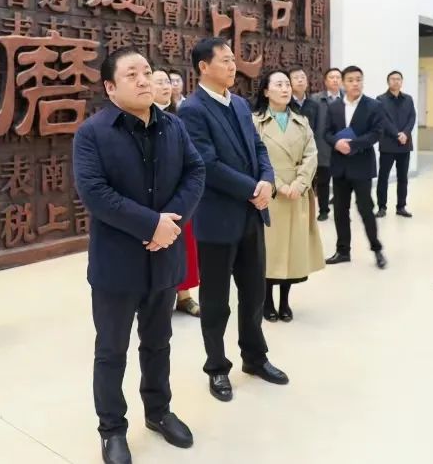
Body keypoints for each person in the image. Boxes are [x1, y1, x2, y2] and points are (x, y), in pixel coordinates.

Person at [73, 47, 205, 464]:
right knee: (112, 351)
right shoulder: (92, 133)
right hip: (117, 264)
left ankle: (159, 411)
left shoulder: (173, 126)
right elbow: (95, 193)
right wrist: (151, 225)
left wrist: (171, 224)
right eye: (132, 74)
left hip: (164, 259)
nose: (145, 79)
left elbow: (195, 171)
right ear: (110, 87)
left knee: (159, 343)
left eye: (147, 71)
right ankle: (112, 429)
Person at [178, 37, 289, 404]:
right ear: (203, 67)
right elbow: (207, 164)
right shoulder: (192, 110)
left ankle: (255, 358)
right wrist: (251, 188)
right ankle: (217, 367)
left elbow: (259, 148)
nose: (232, 66)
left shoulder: (240, 104)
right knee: (216, 301)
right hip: (217, 220)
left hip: (252, 215)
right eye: (224, 60)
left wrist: (267, 181)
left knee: (254, 293)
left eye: (232, 59)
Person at [252, 70, 325, 323]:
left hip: (297, 194)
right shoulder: (255, 122)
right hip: (269, 193)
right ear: (266, 91)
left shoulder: (301, 121)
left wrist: (299, 184)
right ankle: (267, 301)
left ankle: (284, 301)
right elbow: (255, 158)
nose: (285, 89)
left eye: (287, 84)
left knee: (293, 251)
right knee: (270, 251)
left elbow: (311, 155)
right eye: (279, 84)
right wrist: (280, 185)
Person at [323, 65, 387, 270]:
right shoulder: (334, 107)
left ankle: (377, 249)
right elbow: (326, 132)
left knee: (366, 209)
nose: (355, 83)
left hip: (361, 166)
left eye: (358, 79)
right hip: (340, 166)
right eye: (350, 80)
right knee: (340, 210)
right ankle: (343, 251)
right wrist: (336, 143)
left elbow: (377, 133)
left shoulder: (373, 106)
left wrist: (352, 144)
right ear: (343, 83)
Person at [151, 68, 201, 317]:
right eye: (160, 82)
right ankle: (157, 299)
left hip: (180, 196)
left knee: (185, 247)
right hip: (152, 197)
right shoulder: (140, 118)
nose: (166, 86)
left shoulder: (179, 117)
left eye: (168, 82)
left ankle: (184, 296)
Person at [376, 70, 416, 218]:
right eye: (393, 79)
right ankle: (382, 207)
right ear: (388, 82)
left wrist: (405, 133)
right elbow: (383, 120)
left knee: (403, 178)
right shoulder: (380, 99)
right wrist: (397, 134)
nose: (396, 81)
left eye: (398, 79)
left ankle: (401, 207)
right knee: (383, 177)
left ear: (401, 81)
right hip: (388, 144)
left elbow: (412, 118)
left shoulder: (408, 99)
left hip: (404, 145)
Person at [310, 68, 344, 221]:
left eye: (338, 77)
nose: (335, 80)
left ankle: (341, 209)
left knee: (342, 182)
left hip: (343, 147)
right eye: (332, 77)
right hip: (323, 146)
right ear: (325, 81)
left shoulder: (348, 98)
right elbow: (312, 125)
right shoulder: (316, 99)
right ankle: (323, 210)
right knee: (323, 181)